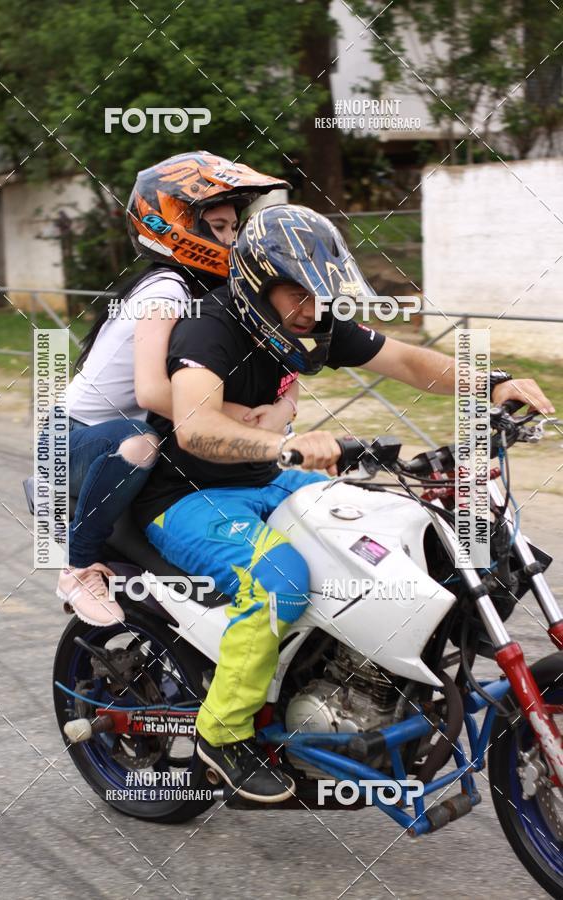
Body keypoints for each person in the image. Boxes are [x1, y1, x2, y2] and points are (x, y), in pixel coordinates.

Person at [133, 203, 555, 803]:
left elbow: (408, 360)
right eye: (297, 294)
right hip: (187, 494)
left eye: (322, 294)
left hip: (267, 479)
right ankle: (222, 734)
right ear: (256, 281)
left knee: (396, 529)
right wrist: (287, 443)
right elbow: (196, 429)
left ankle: (364, 675)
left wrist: (493, 381)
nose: (312, 308)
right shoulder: (210, 326)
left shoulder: (310, 322)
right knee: (282, 578)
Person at [58, 151, 294, 627]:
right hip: (79, 439)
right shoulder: (167, 290)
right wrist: (234, 415)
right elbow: (150, 391)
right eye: (221, 227)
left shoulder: (205, 291)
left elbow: (283, 366)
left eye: (235, 228)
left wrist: (279, 407)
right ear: (176, 225)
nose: (232, 239)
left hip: (115, 434)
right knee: (139, 443)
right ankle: (78, 567)